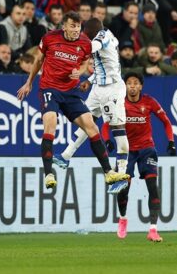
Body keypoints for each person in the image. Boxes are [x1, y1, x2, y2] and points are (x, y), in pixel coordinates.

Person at [16, 11, 129, 189]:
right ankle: (48, 174)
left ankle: (108, 173)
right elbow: (39, 60)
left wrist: (81, 70)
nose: (75, 30)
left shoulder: (85, 43)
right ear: (64, 26)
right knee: (50, 123)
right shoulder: (50, 38)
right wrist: (29, 83)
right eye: (72, 26)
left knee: (91, 126)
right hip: (50, 88)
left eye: (78, 26)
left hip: (70, 91)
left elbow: (85, 61)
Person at [51, 17, 130, 194]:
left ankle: (122, 175)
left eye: (85, 33)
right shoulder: (103, 36)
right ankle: (65, 156)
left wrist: (69, 48)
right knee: (86, 121)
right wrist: (90, 80)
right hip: (98, 87)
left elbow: (90, 48)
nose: (83, 36)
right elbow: (106, 64)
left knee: (118, 130)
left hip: (113, 89)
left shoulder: (101, 37)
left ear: (91, 32)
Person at [102, 71, 176, 242]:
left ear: (141, 86)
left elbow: (166, 121)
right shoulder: (119, 103)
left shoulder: (149, 102)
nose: (133, 86)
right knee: (123, 188)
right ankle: (123, 218)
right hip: (126, 152)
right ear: (125, 86)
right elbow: (105, 126)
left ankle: (153, 229)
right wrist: (107, 141)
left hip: (147, 149)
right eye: (129, 83)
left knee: (152, 187)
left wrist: (171, 141)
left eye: (136, 83)